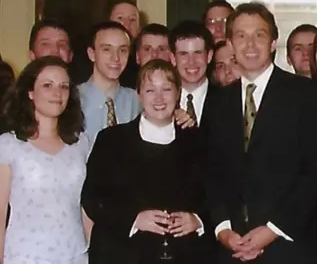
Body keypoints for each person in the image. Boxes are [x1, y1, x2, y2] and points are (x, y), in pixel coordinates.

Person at [207, 2, 317, 264]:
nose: (250, 44)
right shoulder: (218, 100)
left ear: (274, 42)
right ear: (230, 44)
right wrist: (223, 229)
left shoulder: (306, 94)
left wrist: (272, 229)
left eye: (259, 35)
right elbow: (209, 171)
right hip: (230, 248)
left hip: (287, 247)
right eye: (241, 36)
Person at [81, 59, 213, 264]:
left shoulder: (199, 141)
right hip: (122, 255)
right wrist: (133, 220)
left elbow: (216, 194)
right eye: (151, 90)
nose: (159, 98)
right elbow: (92, 198)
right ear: (139, 94)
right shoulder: (111, 140)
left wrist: (198, 219)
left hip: (186, 255)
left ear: (178, 93)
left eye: (166, 89)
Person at [0, 56, 91, 263]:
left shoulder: (81, 143)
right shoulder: (8, 145)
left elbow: (85, 206)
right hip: (26, 255)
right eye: (47, 85)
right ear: (30, 92)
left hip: (74, 253)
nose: (57, 93)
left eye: (64, 87)